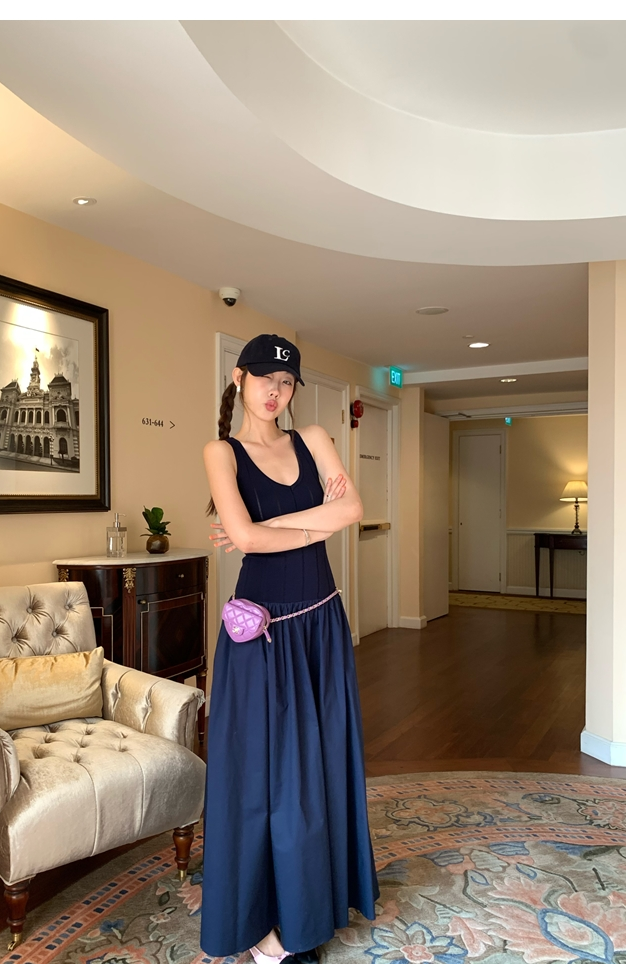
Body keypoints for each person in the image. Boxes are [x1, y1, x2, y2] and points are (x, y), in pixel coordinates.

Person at [200, 334, 379, 963]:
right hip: (262, 632)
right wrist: (301, 526)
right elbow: (245, 542)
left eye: (286, 383)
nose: (275, 392)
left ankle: (312, 907)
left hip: (321, 621)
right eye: (264, 379)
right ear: (239, 378)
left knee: (321, 767)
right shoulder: (221, 452)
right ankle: (266, 926)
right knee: (268, 780)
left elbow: (352, 509)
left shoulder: (315, 439)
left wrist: (266, 527)